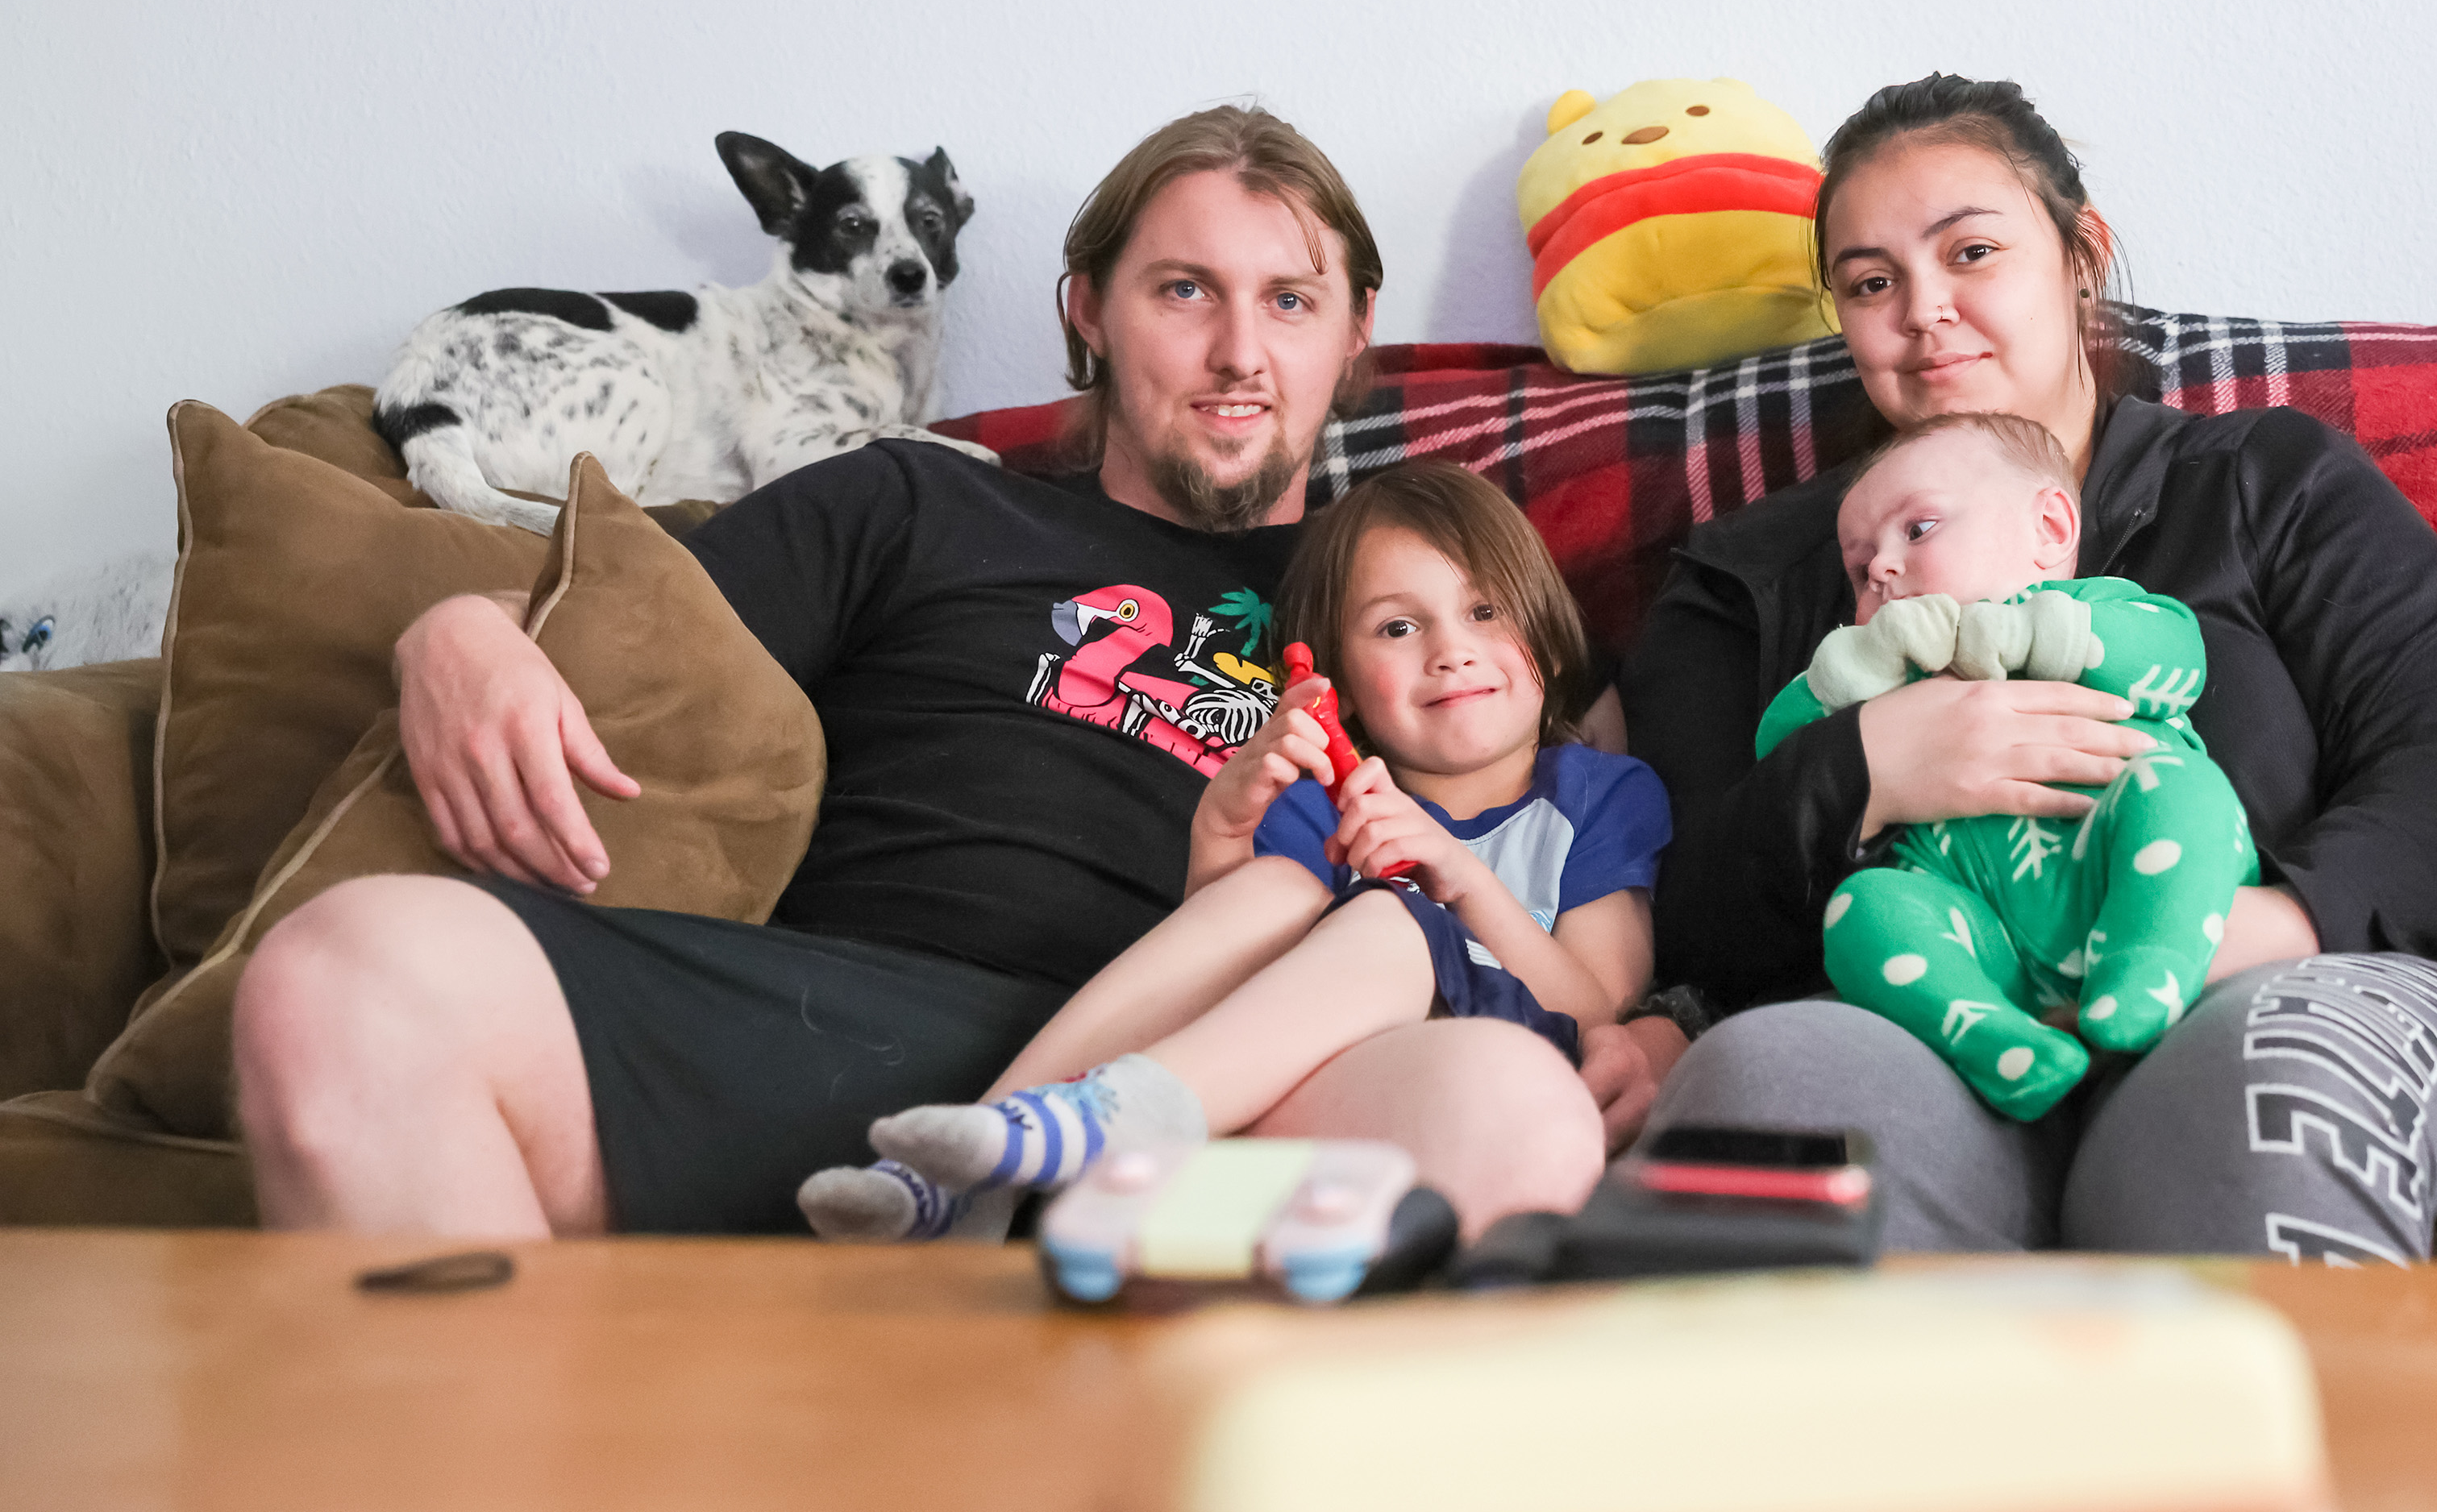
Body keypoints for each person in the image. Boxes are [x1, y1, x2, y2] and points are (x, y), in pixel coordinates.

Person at [235, 108, 1611, 1240]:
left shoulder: (1408, 583)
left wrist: (1643, 1023)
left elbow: (1591, 785)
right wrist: (463, 628)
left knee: (1515, 1112)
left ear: (1355, 328)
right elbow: (635, 625)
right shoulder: (915, 501)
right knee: (345, 977)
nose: (1241, 353)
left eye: (1290, 300)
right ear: (1087, 313)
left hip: (1212, 1083)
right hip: (827, 1022)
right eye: (1185, 290)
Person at [1611, 73, 2437, 1264]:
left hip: (2290, 980)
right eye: (1870, 283)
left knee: (2262, 1101)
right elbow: (1680, 905)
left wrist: (2242, 929)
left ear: (2080, 256)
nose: (1922, 311)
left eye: (1970, 252)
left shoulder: (2267, 483)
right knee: (1769, 1089)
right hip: (1939, 1034)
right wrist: (1871, 768)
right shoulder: (1746, 581)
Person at [796, 462, 1668, 1240]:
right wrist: (1218, 840)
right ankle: (967, 1166)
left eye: (1484, 611)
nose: (1451, 651)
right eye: (1398, 629)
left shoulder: (1599, 792)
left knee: (1393, 921)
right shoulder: (1326, 800)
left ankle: (1103, 1122)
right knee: (1282, 893)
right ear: (1342, 685)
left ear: (1550, 642)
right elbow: (1221, 961)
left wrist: (1462, 876)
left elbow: (1595, 1010)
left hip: (1481, 1074)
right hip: (1303, 1089)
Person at [1768, 411, 2251, 1122]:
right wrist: (1859, 670)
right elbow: (1776, 753)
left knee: (2186, 791)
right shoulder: (1888, 678)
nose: (1880, 568)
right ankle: (1997, 1038)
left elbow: (2180, 662)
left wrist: (2040, 632)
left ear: (2050, 530)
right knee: (1864, 911)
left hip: (2117, 861)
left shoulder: (2090, 609)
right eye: (1858, 566)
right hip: (1977, 928)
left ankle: (2150, 967)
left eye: (1919, 529)